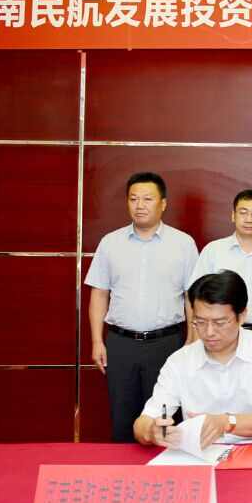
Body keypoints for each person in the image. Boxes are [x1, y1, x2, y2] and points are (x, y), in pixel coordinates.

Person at [85, 171, 198, 443]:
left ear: (163, 204)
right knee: (122, 418)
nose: (140, 205)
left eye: (148, 199)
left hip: (166, 344)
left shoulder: (183, 244)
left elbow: (191, 298)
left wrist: (192, 341)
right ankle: (122, 469)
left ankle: (165, 467)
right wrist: (97, 341)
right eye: (134, 198)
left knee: (165, 421)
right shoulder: (110, 243)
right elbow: (99, 294)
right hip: (120, 345)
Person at [134, 270, 252, 447]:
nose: (209, 332)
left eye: (220, 323)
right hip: (203, 453)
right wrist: (151, 431)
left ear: (242, 316)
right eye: (200, 322)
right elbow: (144, 422)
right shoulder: (180, 361)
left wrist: (226, 422)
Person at [191, 189, 252, 340]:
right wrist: (196, 341)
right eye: (243, 213)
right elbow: (196, 299)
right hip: (219, 334)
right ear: (233, 215)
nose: (249, 219)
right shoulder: (213, 250)